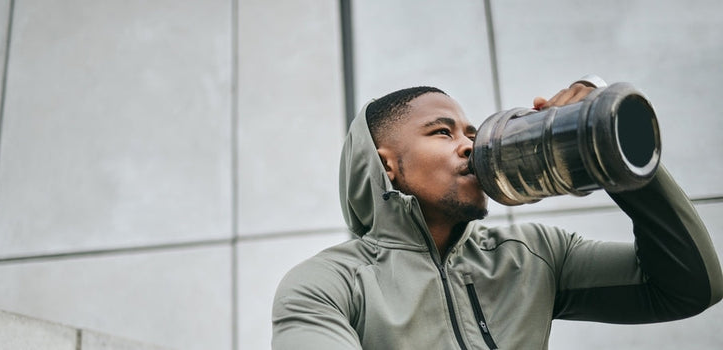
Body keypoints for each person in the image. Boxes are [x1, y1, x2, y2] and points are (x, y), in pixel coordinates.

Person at [271, 80, 723, 349]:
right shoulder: (329, 283)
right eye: (442, 132)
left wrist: (609, 154)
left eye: (471, 131)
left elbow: (688, 289)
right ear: (387, 163)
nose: (469, 143)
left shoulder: (535, 255)